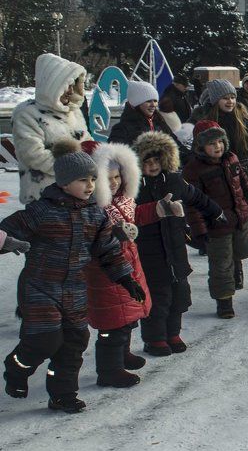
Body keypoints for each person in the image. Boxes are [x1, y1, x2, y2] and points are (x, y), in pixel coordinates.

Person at [1, 140, 142, 413]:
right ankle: (17, 367)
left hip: (75, 289)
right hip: (40, 288)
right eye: (82, 180)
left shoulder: (96, 215)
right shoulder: (41, 211)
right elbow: (8, 230)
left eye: (92, 179)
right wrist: (6, 241)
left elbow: (109, 252)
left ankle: (62, 394)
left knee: (74, 343)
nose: (90, 185)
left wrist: (125, 278)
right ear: (64, 183)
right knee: (45, 340)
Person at [85, 141, 169, 388]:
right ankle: (108, 370)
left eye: (117, 176)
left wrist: (160, 208)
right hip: (106, 274)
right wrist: (117, 236)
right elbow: (91, 240)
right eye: (106, 178)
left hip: (129, 265)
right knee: (113, 324)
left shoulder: (122, 201)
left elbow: (135, 218)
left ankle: (122, 355)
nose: (113, 183)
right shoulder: (92, 209)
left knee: (127, 318)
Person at [134, 132, 223, 356]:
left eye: (157, 161)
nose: (153, 166)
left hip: (175, 249)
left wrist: (215, 211)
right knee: (159, 298)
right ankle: (154, 339)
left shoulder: (174, 181)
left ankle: (173, 332)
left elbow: (196, 196)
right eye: (147, 162)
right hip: (149, 251)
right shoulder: (135, 187)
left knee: (179, 295)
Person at [182, 120, 248, 318]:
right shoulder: (194, 170)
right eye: (211, 143)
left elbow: (244, 184)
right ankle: (224, 301)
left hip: (239, 216)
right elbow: (192, 203)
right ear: (201, 147)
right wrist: (199, 229)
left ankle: (236, 269)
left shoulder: (231, 159)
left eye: (220, 142)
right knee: (220, 264)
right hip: (216, 224)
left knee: (242, 249)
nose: (217, 147)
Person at [11, 53, 94, 205]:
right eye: (66, 85)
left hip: (77, 194)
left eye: (72, 85)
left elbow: (86, 141)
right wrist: (74, 171)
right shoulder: (26, 114)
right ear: (51, 85)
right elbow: (34, 155)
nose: (70, 90)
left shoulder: (73, 111)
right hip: (44, 196)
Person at [189, 79, 248, 182]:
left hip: (246, 173)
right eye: (225, 98)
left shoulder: (244, 118)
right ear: (215, 100)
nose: (230, 101)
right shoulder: (205, 121)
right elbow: (195, 152)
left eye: (233, 97)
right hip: (218, 177)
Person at [109, 81, 189, 159]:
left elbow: (175, 144)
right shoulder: (122, 129)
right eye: (148, 101)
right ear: (136, 103)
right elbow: (116, 157)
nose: (153, 105)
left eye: (155, 101)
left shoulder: (159, 122)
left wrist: (191, 157)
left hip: (162, 171)